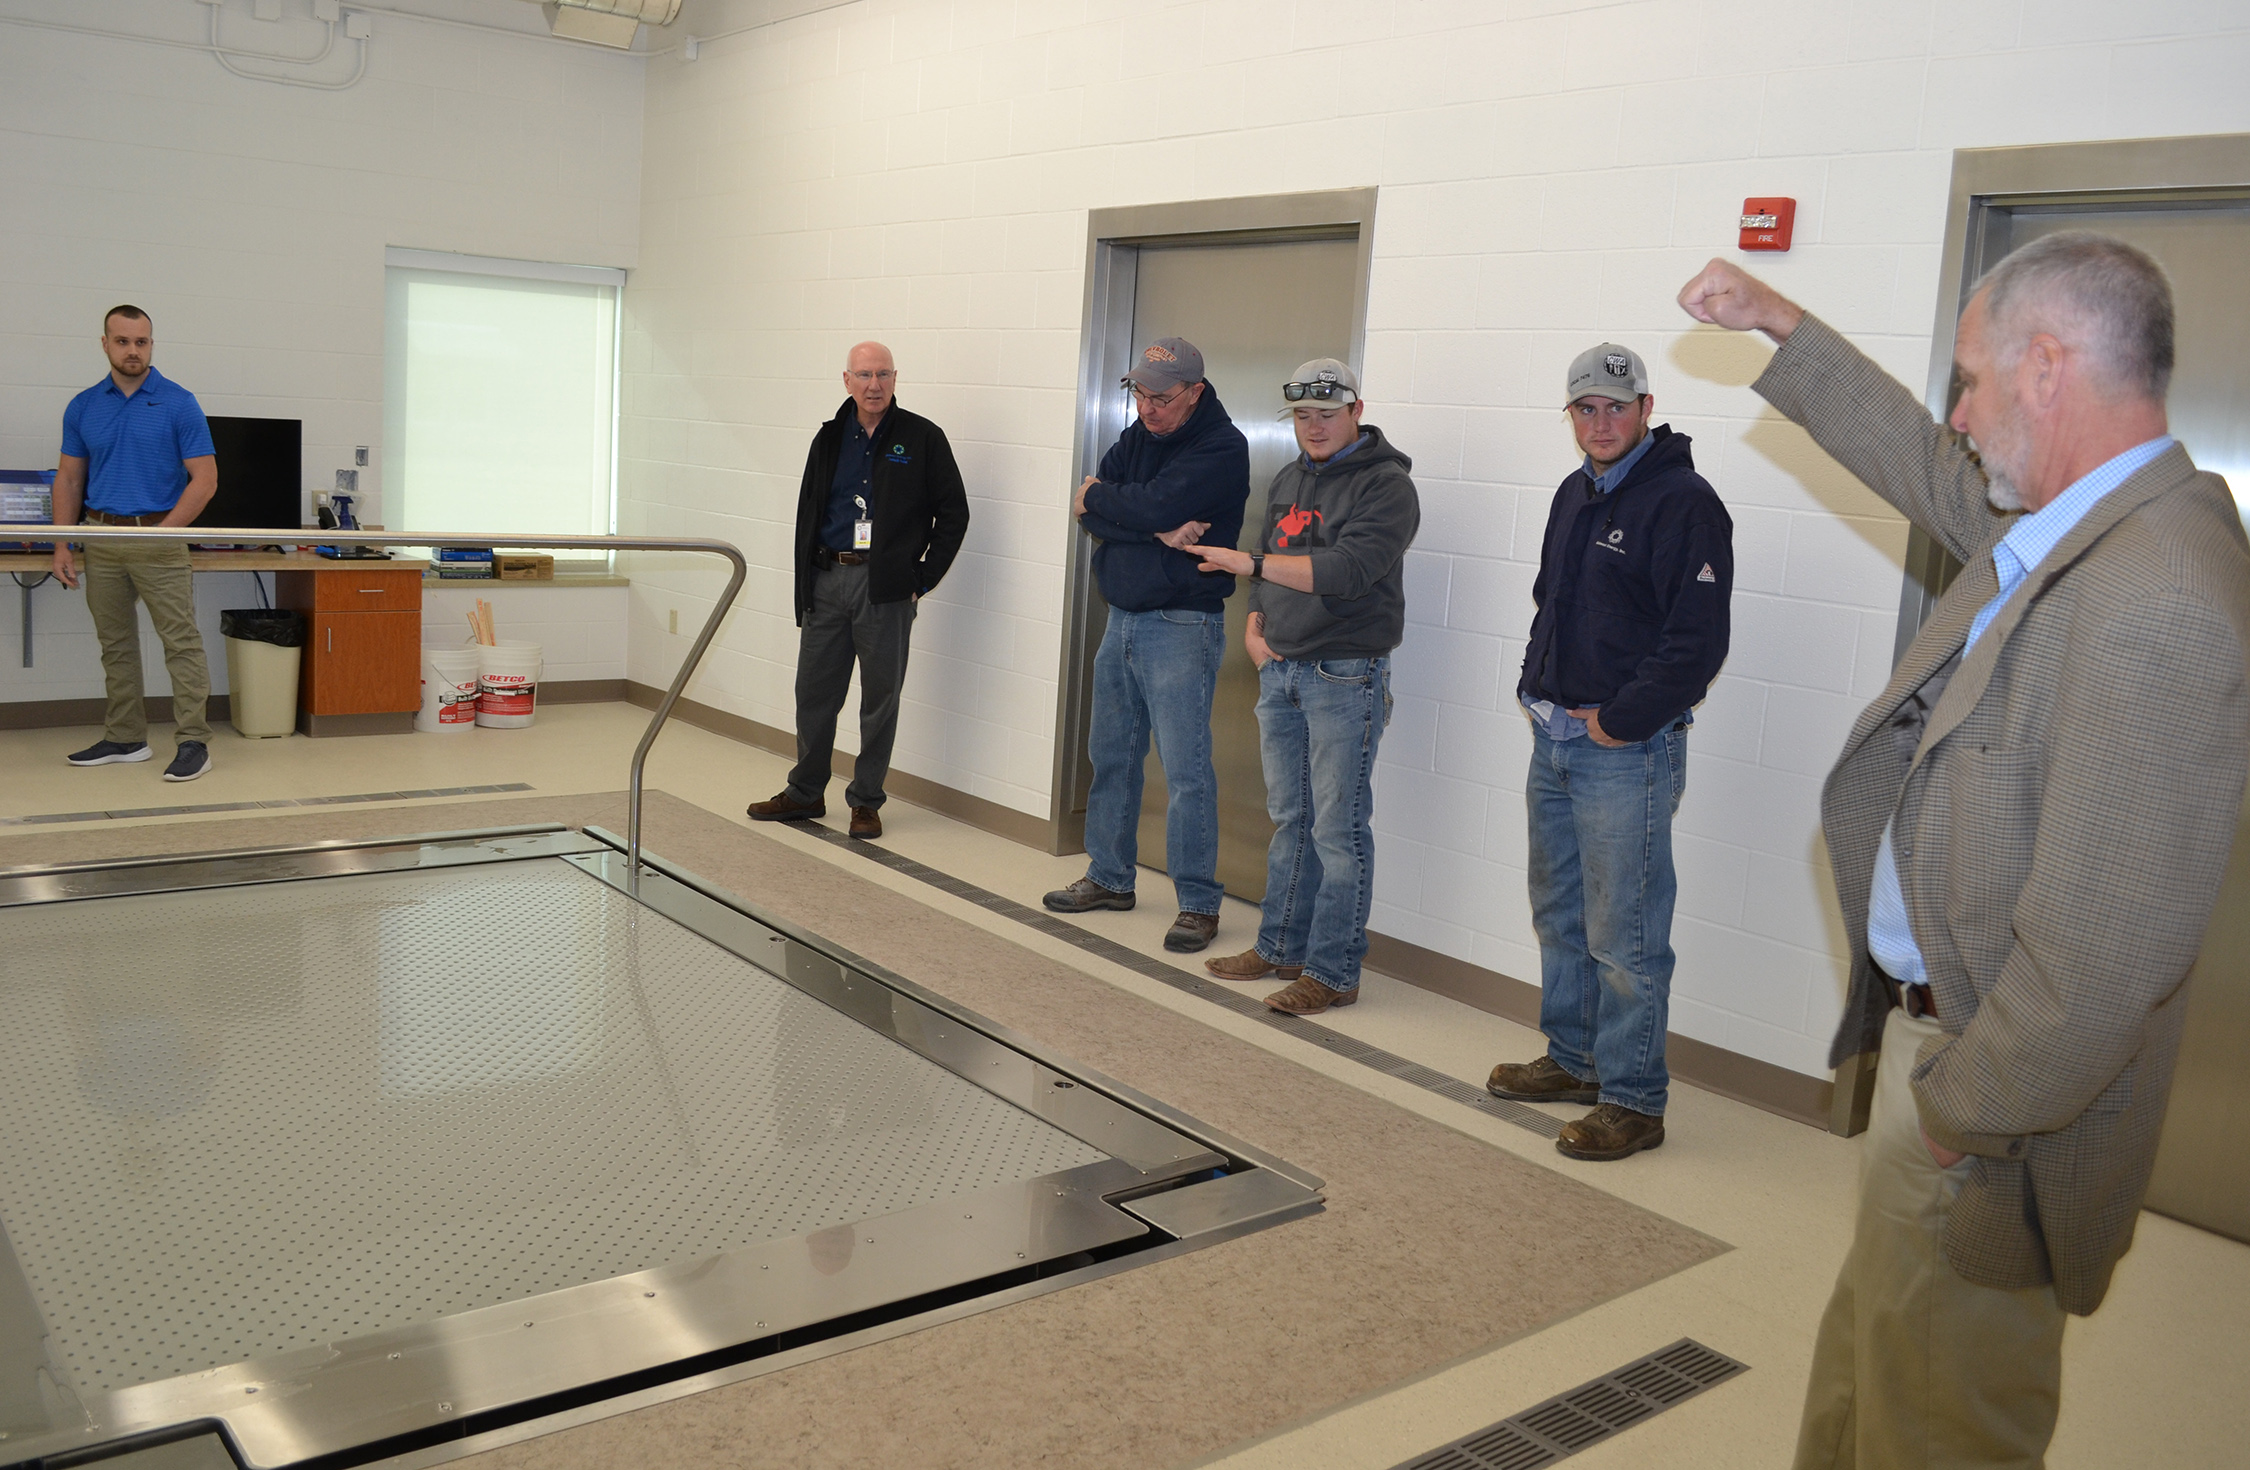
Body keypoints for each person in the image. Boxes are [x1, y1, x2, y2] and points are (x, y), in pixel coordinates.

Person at [1678, 235, 2250, 1468]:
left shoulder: (2157, 595)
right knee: (1872, 1380)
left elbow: (2104, 959)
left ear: (2049, 370)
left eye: (1974, 381)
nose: (1959, 415)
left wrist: (1958, 1119)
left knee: (1940, 1426)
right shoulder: (2073, 522)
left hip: (1993, 1112)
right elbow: (1926, 465)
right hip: (1942, 1055)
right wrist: (1784, 323)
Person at [1485, 344, 1733, 1162]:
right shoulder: (1574, 493)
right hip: (1552, 736)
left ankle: (1634, 1098)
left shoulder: (1684, 502)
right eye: (1585, 409)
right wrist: (1534, 684)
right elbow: (1551, 599)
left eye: (1616, 408)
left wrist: (1619, 722)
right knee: (1560, 912)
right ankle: (1574, 1060)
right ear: (1571, 414)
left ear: (1646, 408)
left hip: (1623, 751)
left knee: (1623, 931)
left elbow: (1695, 642)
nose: (1600, 422)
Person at [1190, 360, 1418, 1014]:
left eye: (1327, 413)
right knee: (1291, 820)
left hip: (1344, 673)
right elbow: (1274, 553)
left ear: (1356, 410)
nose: (1313, 426)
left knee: (1337, 831)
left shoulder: (1386, 485)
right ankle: (1280, 947)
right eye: (1301, 415)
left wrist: (1251, 566)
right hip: (1282, 668)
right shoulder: (1292, 476)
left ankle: (1334, 971)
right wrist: (1257, 624)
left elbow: (1350, 569)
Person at [1041, 337, 1249, 953]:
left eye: (1162, 397)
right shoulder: (1137, 437)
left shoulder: (1221, 446)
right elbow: (1090, 514)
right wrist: (1157, 532)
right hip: (1122, 619)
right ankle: (1109, 877)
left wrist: (1117, 508)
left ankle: (1199, 904)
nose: (1148, 408)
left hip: (1182, 623)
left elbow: (1119, 501)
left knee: (1186, 771)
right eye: (1140, 394)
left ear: (1196, 392)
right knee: (1111, 755)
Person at [748, 342, 970, 841]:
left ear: (896, 378)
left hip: (886, 589)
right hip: (827, 580)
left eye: (883, 375)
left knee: (879, 700)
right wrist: (805, 582)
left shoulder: (921, 437)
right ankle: (805, 792)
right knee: (814, 694)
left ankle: (866, 801)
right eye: (864, 375)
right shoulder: (828, 439)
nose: (874, 385)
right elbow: (809, 512)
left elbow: (954, 514)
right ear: (846, 380)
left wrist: (921, 579)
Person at [53, 305, 218, 782]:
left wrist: (164, 533)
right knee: (115, 644)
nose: (132, 350)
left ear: (151, 345)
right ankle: (126, 738)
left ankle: (193, 743)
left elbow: (204, 480)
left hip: (158, 538)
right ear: (104, 343)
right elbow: (68, 479)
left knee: (181, 644)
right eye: (122, 341)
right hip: (101, 538)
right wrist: (63, 545)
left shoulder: (178, 402)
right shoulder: (83, 405)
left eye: (141, 342)